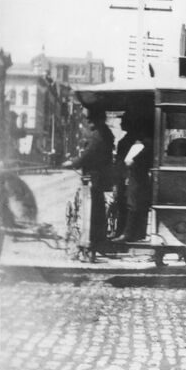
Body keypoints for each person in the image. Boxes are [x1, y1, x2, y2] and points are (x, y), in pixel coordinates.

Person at [62, 106, 114, 259]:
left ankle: (92, 243)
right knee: (97, 211)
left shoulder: (98, 135)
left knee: (91, 212)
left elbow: (89, 154)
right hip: (99, 177)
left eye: (90, 119)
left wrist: (73, 163)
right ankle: (97, 242)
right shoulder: (104, 133)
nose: (88, 121)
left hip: (94, 177)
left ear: (98, 119)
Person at [112, 118, 153, 243]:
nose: (121, 123)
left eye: (124, 121)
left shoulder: (143, 142)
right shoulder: (129, 140)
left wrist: (133, 161)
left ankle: (128, 234)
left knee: (132, 204)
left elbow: (135, 159)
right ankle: (124, 232)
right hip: (129, 176)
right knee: (127, 203)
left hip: (135, 176)